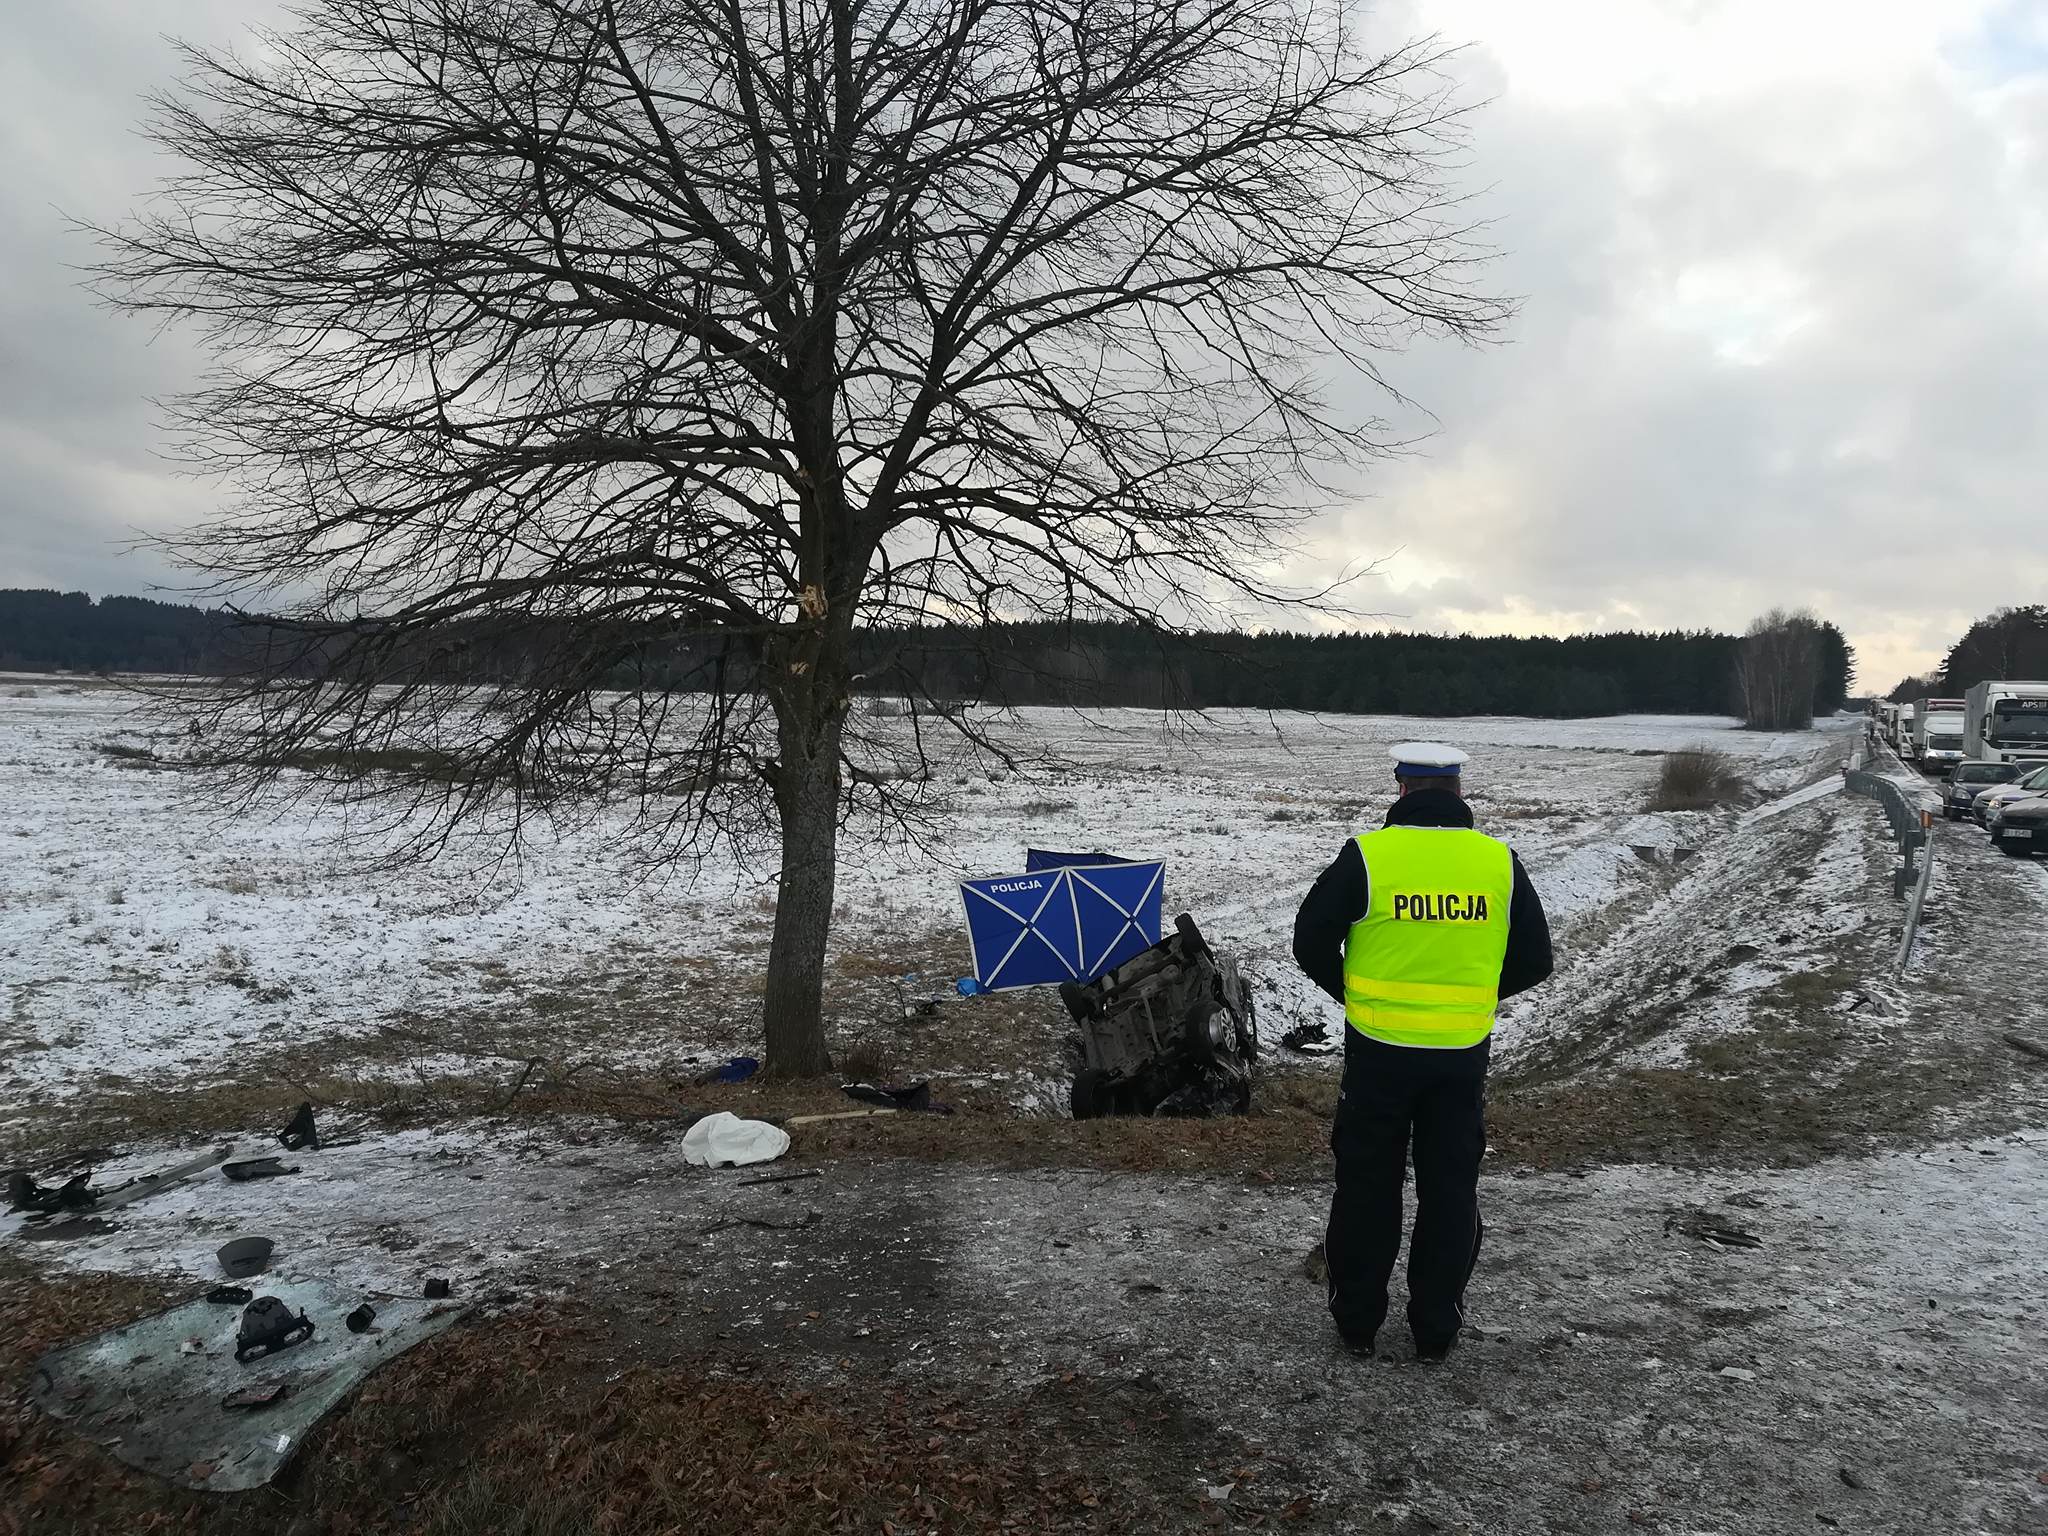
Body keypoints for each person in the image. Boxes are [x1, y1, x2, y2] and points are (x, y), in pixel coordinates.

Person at [1291, 741, 1553, 1361]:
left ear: (1402, 790)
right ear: (1458, 791)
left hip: (1378, 1052)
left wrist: (1354, 994)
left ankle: (1357, 1325)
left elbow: (1309, 939)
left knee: (1366, 1187)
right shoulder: (1498, 862)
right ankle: (1436, 1330)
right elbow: (1536, 959)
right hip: (1461, 1055)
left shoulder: (1369, 856)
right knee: (1450, 1189)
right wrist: (1472, 999)